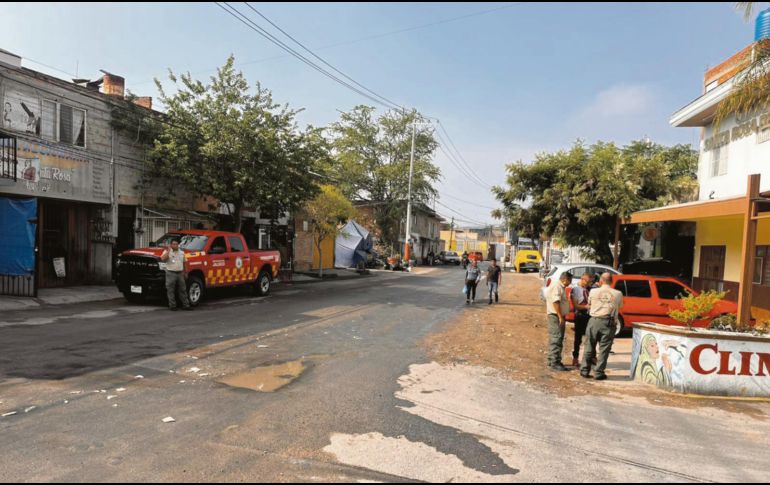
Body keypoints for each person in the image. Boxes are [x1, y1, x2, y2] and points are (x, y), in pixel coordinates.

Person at [581, 272, 624, 380]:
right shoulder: (618, 293)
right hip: (609, 323)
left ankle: (584, 370)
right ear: (612, 281)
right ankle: (599, 373)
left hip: (594, 321)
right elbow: (620, 306)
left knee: (589, 346)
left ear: (601, 281)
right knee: (604, 349)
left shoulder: (593, 291)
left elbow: (589, 304)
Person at [545, 272, 573, 371]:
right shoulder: (557, 286)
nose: (569, 284)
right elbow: (556, 301)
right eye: (569, 281)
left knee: (557, 338)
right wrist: (560, 316)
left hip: (557, 316)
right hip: (555, 316)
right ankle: (554, 362)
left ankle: (553, 360)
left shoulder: (559, 286)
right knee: (556, 338)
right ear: (565, 279)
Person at [161, 239, 192, 311]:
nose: (175, 245)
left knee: (183, 289)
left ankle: (186, 305)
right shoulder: (167, 252)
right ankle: (172, 306)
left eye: (176, 244)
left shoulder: (181, 252)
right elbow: (163, 259)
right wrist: (168, 251)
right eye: (174, 244)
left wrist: (186, 272)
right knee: (170, 290)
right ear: (171, 245)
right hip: (170, 273)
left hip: (180, 273)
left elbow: (184, 262)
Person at [570, 272, 593, 367]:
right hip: (580, 315)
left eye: (590, 282)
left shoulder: (588, 289)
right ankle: (575, 358)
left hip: (588, 315)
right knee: (578, 338)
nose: (588, 284)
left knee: (590, 337)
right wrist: (586, 307)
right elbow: (575, 305)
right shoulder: (576, 290)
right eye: (587, 281)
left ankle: (589, 358)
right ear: (582, 279)